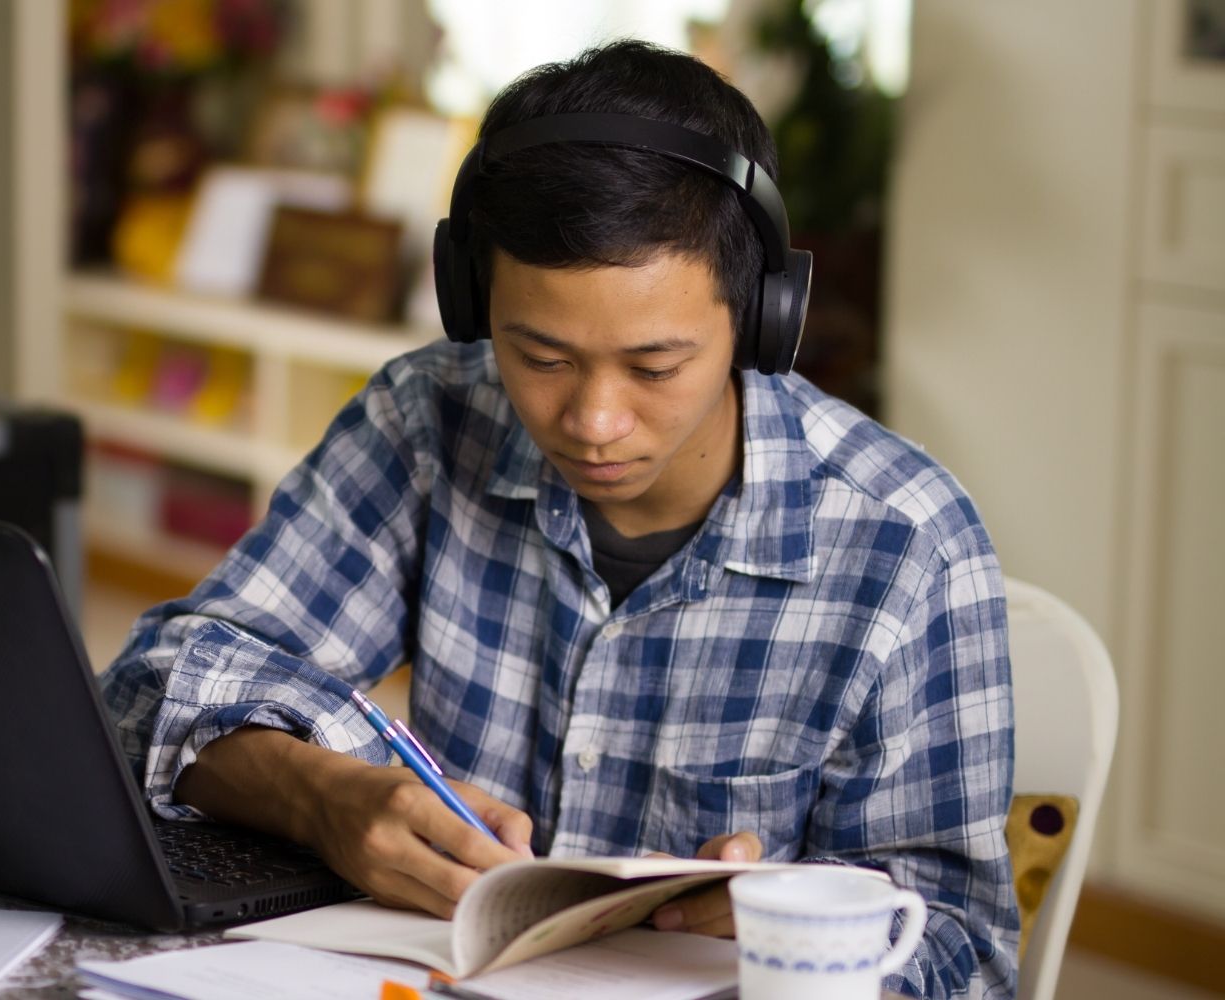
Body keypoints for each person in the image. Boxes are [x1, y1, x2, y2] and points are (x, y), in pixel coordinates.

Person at [101, 39, 1016, 1000]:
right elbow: (147, 688)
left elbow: (971, 954)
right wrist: (318, 794)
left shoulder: (910, 544)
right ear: (470, 296)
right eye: (538, 356)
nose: (592, 423)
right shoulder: (426, 420)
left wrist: (805, 935)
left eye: (655, 367)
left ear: (761, 318)